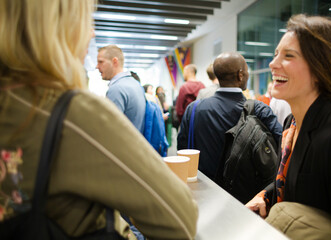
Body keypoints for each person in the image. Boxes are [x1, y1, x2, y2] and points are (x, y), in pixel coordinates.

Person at [0, 1, 198, 239]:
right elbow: (180, 218)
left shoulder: (15, 103)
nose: (91, 32)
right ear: (60, 26)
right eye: (87, 21)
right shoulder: (74, 114)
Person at [245, 14, 331, 239]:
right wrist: (265, 196)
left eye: (288, 56)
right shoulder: (292, 124)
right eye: (276, 54)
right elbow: (291, 181)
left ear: (320, 69)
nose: (273, 63)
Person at [177, 52, 282, 181]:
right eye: (247, 71)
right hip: (244, 195)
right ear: (240, 75)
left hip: (204, 187)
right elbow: (282, 145)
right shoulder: (259, 110)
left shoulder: (193, 109)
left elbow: (182, 150)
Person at [97, 45, 146, 133]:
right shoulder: (135, 84)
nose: (97, 66)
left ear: (114, 61)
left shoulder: (116, 89)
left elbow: (110, 131)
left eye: (101, 62)